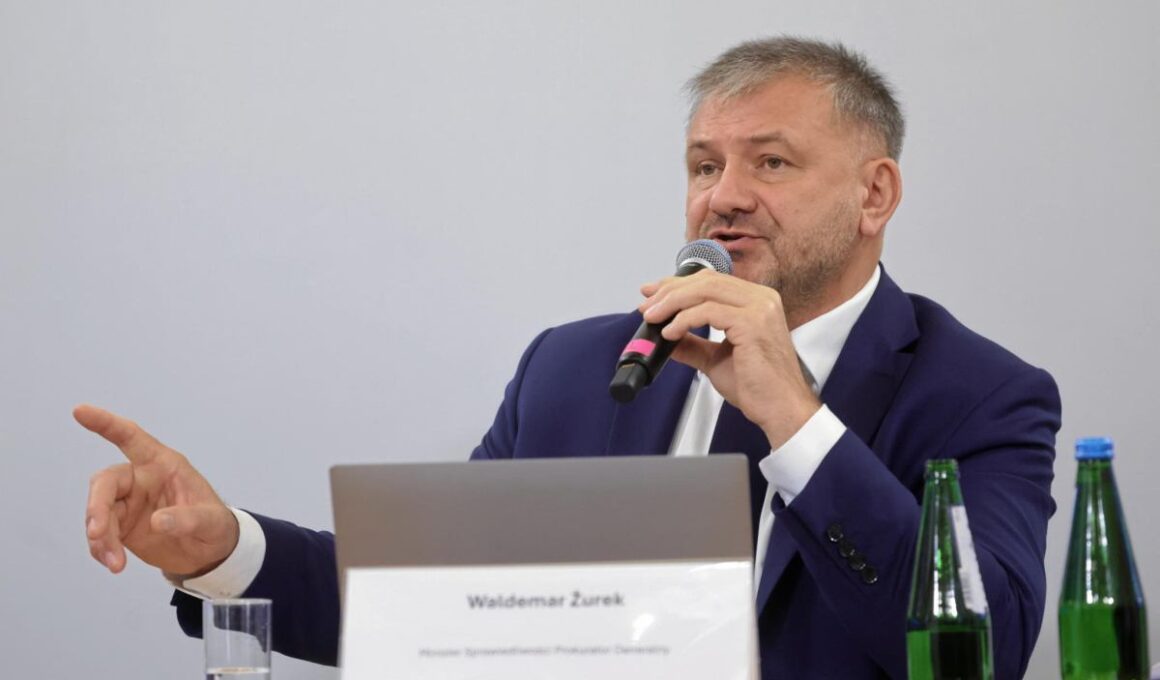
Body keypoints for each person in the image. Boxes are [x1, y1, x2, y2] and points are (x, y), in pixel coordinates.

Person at [80, 36, 1060, 679]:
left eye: (770, 161)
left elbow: (986, 649)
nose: (722, 196)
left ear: (874, 195)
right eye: (703, 165)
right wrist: (222, 549)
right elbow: (445, 600)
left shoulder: (980, 395)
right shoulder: (574, 369)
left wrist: (793, 420)